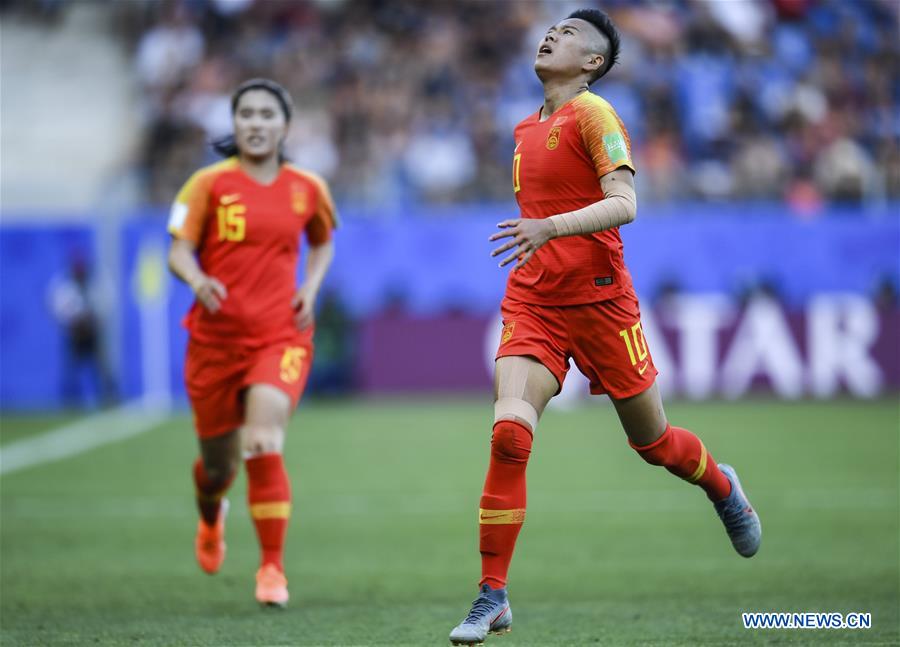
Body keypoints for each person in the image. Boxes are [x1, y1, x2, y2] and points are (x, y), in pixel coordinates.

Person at [449, 9, 761, 644]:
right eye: (549, 29)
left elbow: (626, 203)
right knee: (510, 431)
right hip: (534, 301)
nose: (549, 35)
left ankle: (721, 484)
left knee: (654, 445)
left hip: (601, 304)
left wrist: (551, 227)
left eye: (565, 34)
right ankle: (492, 595)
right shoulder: (523, 127)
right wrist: (542, 236)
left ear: (592, 62)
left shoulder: (595, 114)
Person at [167, 78, 337, 607]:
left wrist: (309, 286)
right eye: (247, 114)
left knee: (262, 441)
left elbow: (324, 239)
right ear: (234, 124)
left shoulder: (307, 186)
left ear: (285, 126)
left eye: (268, 114)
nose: (257, 123)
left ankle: (271, 570)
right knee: (218, 467)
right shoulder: (207, 184)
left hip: (280, 336)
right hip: (215, 343)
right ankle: (211, 510)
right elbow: (178, 250)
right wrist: (197, 281)